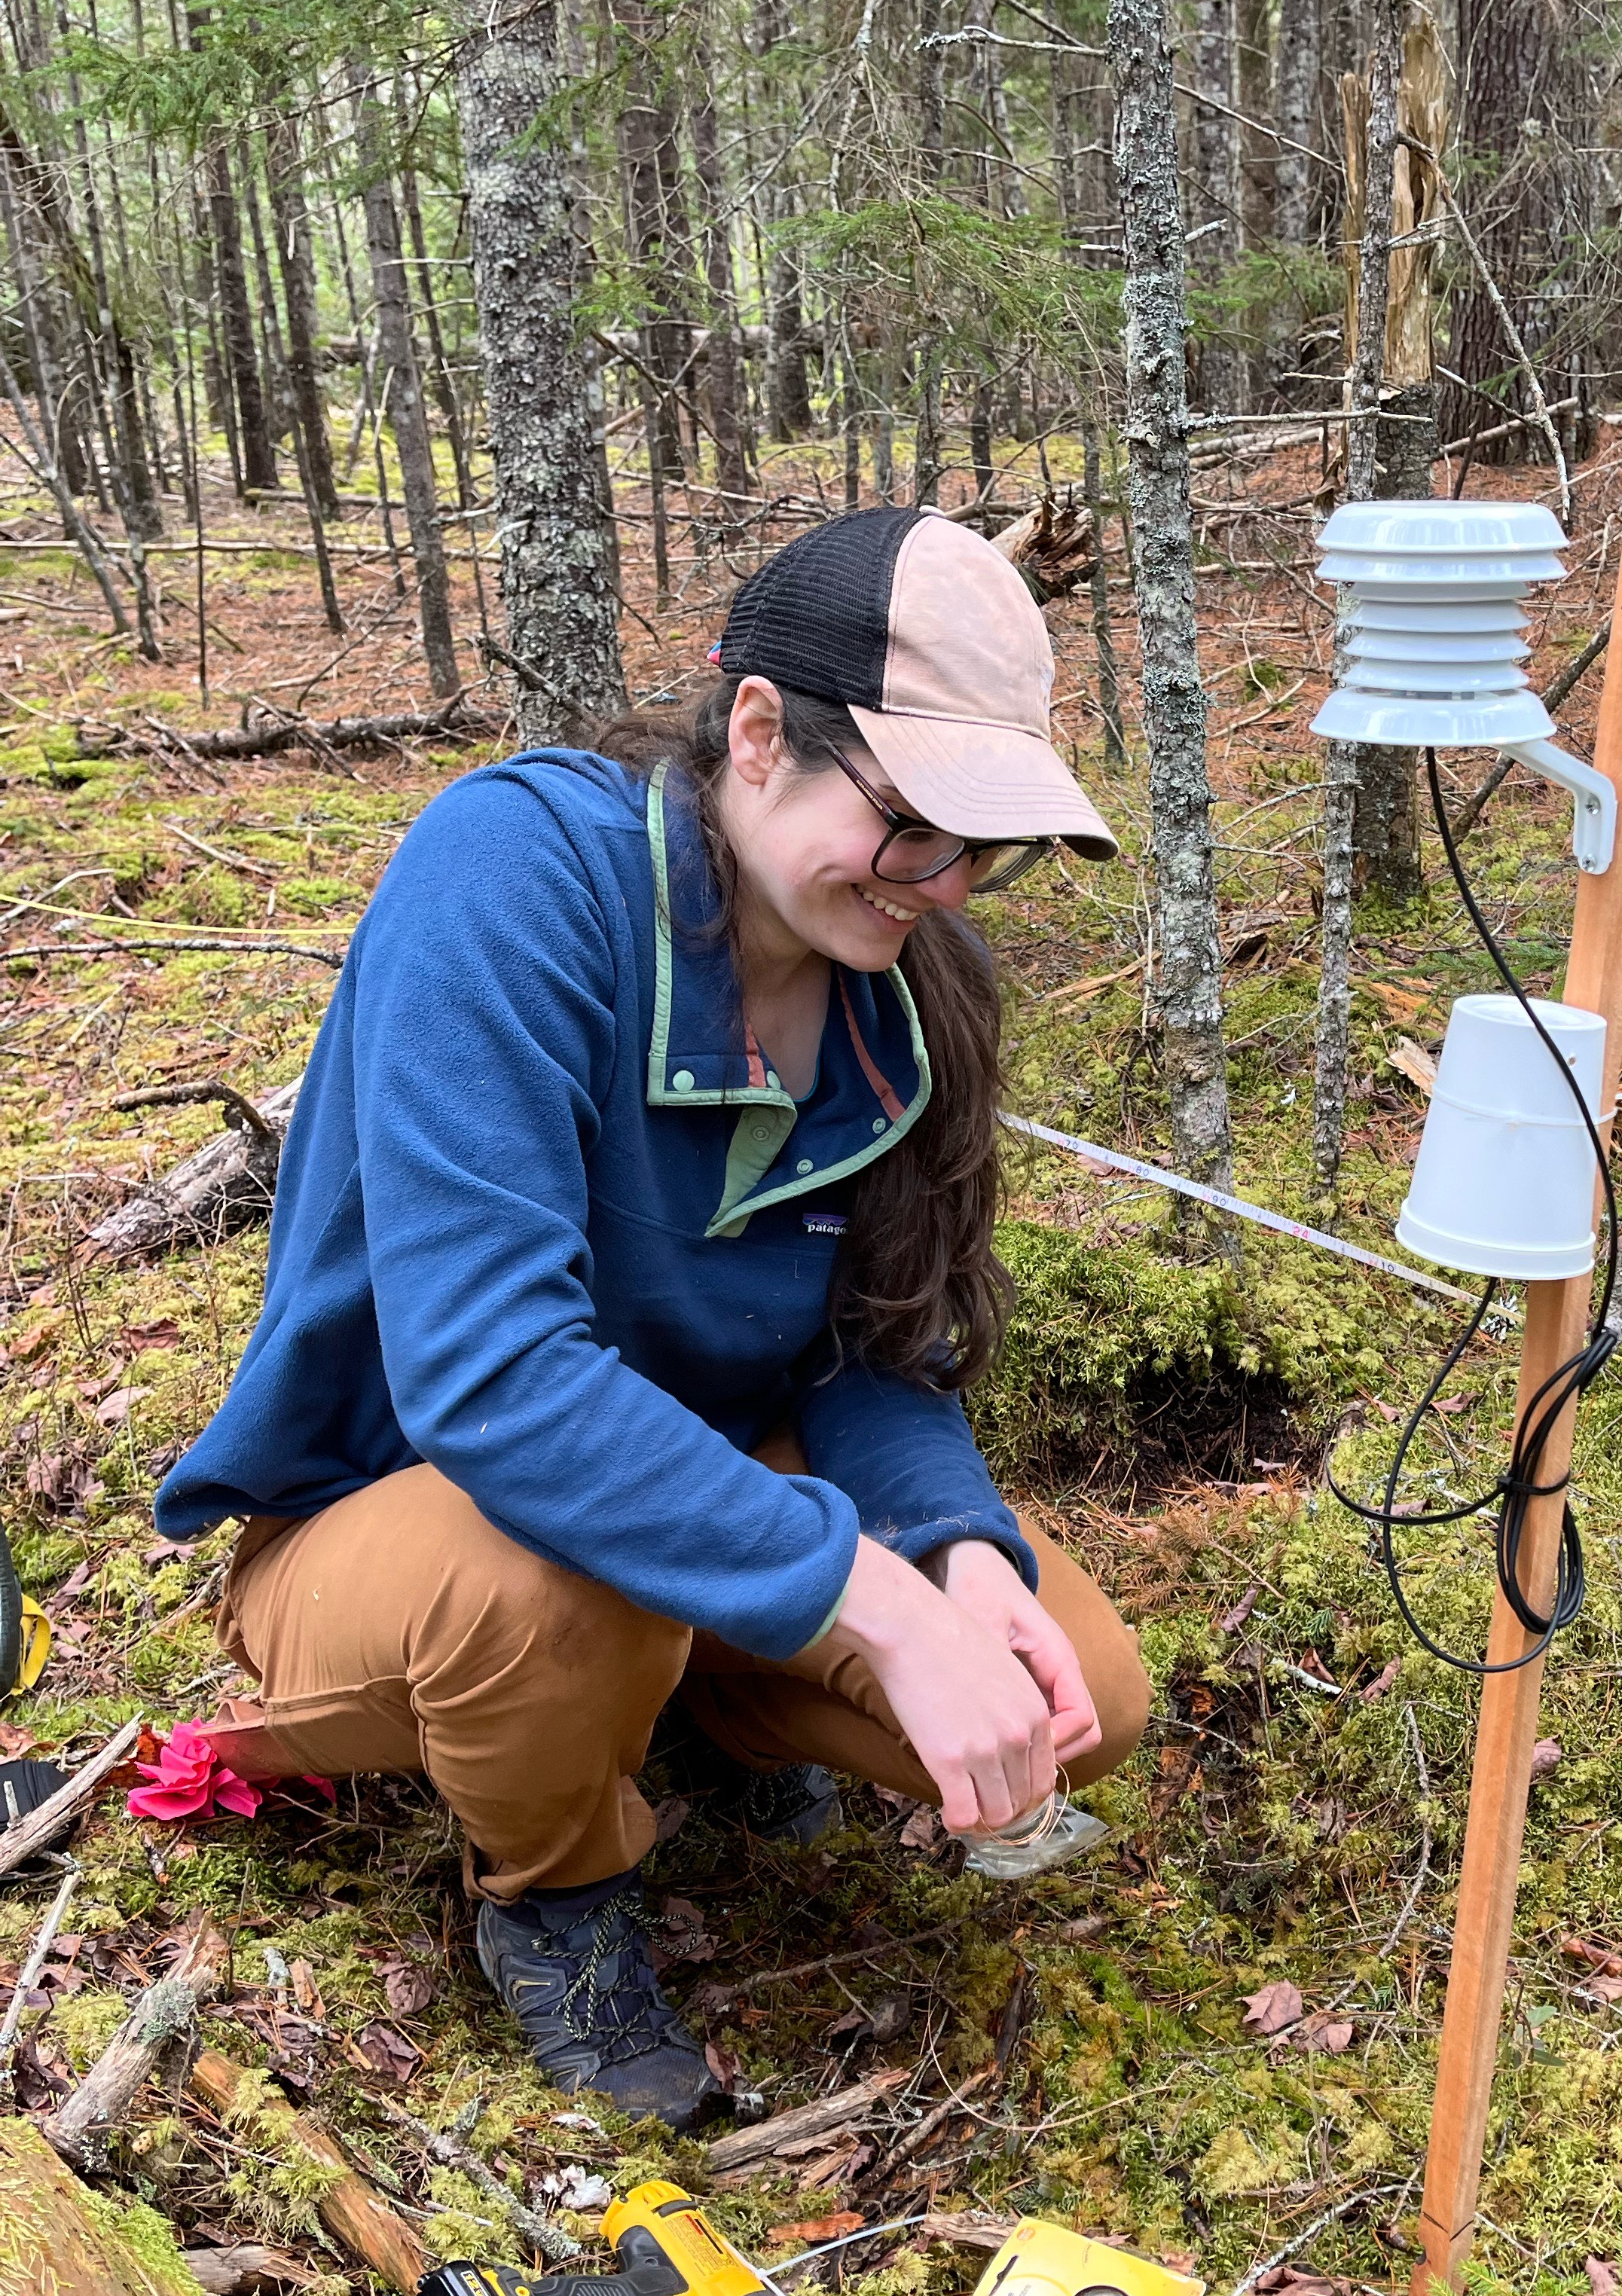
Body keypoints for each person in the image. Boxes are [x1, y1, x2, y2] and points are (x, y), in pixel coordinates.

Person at [156, 505, 1153, 2130]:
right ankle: (552, 1894)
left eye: (986, 844)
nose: (950, 884)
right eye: (916, 827)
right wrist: (876, 1607)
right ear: (758, 732)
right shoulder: (518, 878)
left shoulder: (903, 999)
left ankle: (717, 1733)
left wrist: (958, 1552)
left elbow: (869, 1355)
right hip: (408, 1528)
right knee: (561, 1588)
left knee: (1082, 1686)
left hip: (698, 1509)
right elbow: (492, 1384)